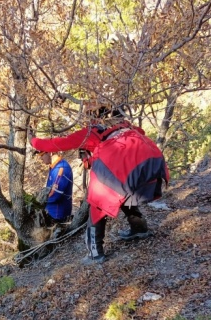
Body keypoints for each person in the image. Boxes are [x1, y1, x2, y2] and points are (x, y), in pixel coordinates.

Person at [30, 107, 169, 264]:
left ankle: (95, 253)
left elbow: (56, 144)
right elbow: (140, 132)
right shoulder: (123, 125)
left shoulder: (90, 132)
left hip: (129, 169)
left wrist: (33, 141)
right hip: (154, 165)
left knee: (97, 204)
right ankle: (139, 228)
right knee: (121, 192)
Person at [35, 151, 74, 228]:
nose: (41, 158)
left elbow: (55, 195)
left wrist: (39, 201)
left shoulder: (61, 168)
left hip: (58, 215)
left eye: (42, 155)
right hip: (51, 212)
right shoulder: (54, 167)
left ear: (50, 153)